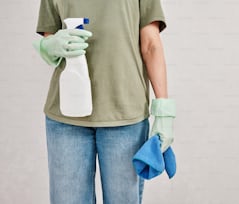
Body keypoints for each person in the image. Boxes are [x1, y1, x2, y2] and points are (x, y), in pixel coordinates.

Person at [33, 0, 176, 203]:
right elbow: (50, 37)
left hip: (124, 115)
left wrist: (164, 110)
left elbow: (150, 45)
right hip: (66, 116)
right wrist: (49, 46)